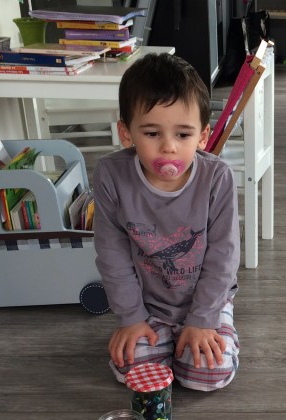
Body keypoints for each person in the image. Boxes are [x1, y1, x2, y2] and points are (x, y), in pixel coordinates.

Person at [93, 53, 240, 391]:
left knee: (208, 373)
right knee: (131, 370)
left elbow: (224, 256)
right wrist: (131, 319)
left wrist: (202, 321)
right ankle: (166, 343)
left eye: (183, 135)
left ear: (203, 136)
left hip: (206, 302)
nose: (169, 147)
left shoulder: (217, 177)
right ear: (126, 133)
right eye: (152, 133)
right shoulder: (111, 175)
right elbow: (111, 253)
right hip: (148, 305)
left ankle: (213, 330)